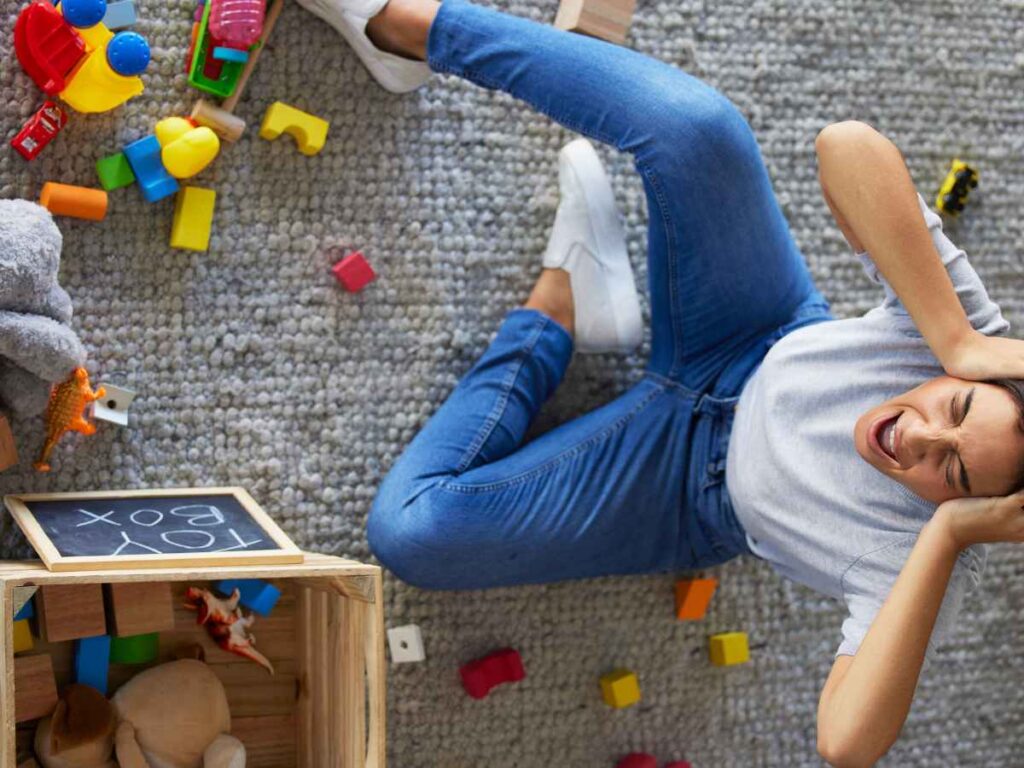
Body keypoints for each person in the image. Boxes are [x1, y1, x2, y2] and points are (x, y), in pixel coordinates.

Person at [294, 0, 1024, 763]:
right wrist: (957, 339)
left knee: (413, 532)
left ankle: (558, 308)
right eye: (954, 407)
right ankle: (400, 28)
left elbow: (845, 744)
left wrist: (944, 535)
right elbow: (847, 147)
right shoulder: (974, 347)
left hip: (686, 493)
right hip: (757, 328)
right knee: (699, 130)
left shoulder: (931, 558)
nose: (919, 435)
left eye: (953, 469)